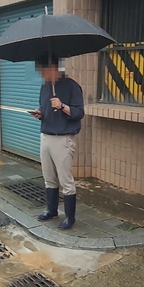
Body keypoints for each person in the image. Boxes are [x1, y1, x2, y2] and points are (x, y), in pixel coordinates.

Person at [30, 53, 84, 230]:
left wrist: (62, 106)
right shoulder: (45, 87)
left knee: (65, 180)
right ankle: (51, 210)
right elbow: (45, 109)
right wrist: (40, 113)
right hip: (46, 135)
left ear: (54, 68)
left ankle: (70, 217)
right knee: (49, 177)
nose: (42, 75)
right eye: (41, 72)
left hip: (63, 138)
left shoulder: (72, 86)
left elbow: (79, 113)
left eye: (44, 71)